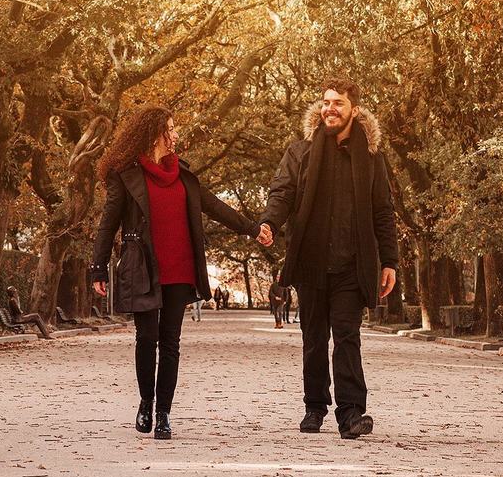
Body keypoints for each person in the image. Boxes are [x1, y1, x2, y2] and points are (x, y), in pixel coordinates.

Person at [90, 107, 271, 440]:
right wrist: (98, 266)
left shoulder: (184, 176)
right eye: (170, 129)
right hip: (143, 267)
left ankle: (163, 414)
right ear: (154, 134)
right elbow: (108, 222)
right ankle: (146, 400)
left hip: (180, 268)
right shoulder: (126, 175)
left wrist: (252, 228)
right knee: (146, 338)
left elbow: (216, 207)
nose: (175, 135)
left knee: (170, 342)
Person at [260, 78, 398, 439]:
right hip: (310, 261)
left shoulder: (370, 157)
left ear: (354, 109)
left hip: (352, 264)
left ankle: (352, 413)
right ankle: (314, 405)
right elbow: (282, 192)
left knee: (347, 336)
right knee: (314, 337)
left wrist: (390, 262)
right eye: (325, 102)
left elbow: (383, 211)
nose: (330, 109)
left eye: (338, 103)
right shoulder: (300, 152)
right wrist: (269, 222)